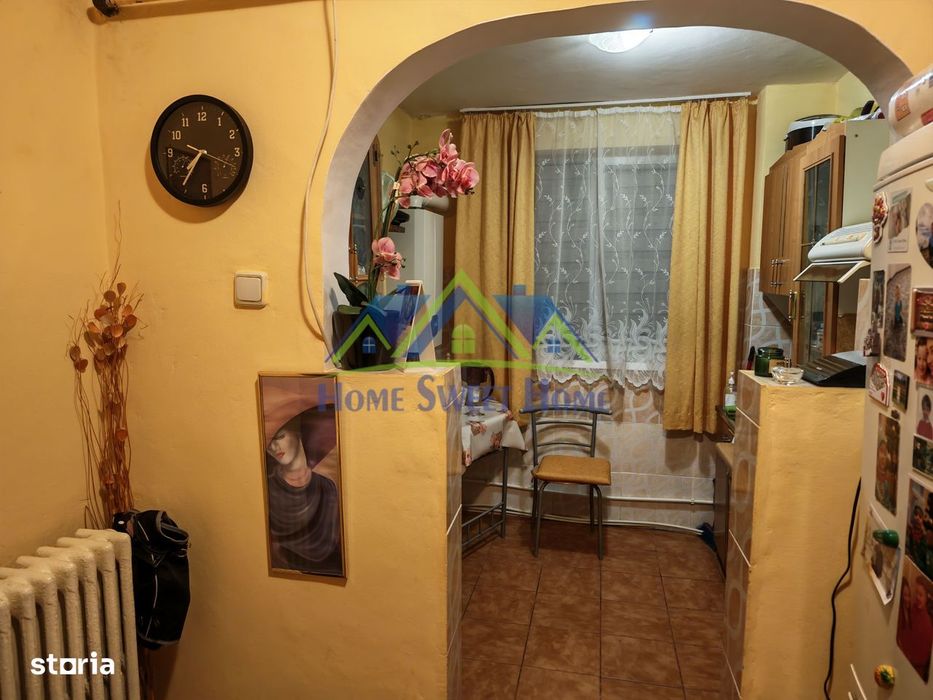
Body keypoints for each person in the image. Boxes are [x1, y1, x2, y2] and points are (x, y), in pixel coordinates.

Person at [265, 409, 343, 576]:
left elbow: (330, 545)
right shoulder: (269, 489)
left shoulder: (326, 487)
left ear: (298, 432)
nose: (273, 446)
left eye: (280, 436)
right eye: (268, 441)